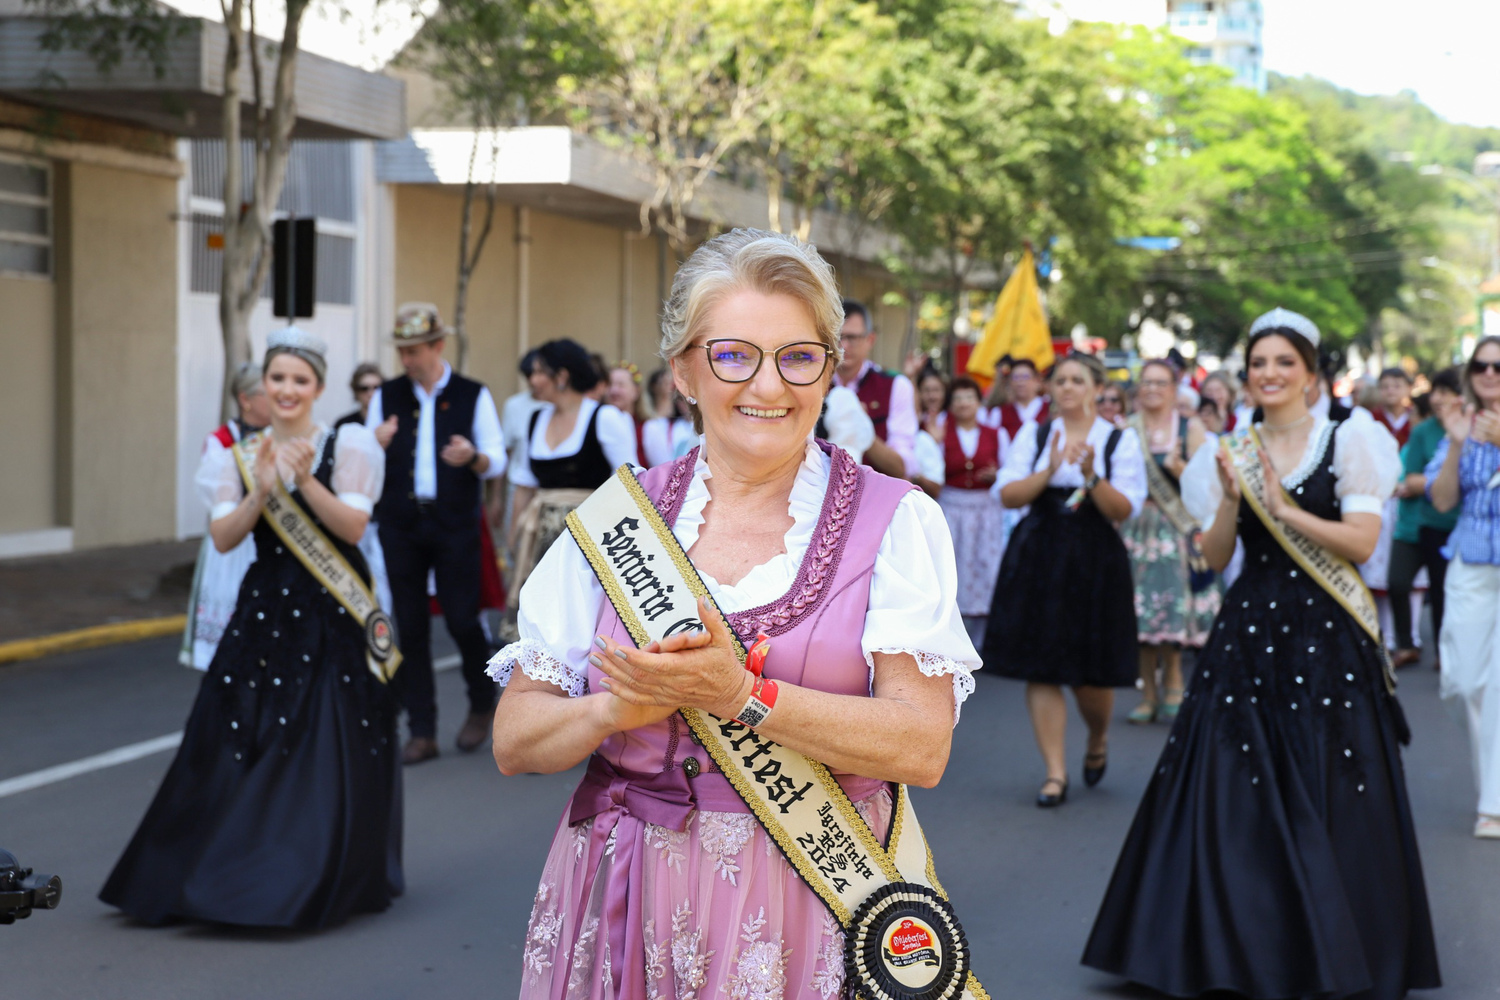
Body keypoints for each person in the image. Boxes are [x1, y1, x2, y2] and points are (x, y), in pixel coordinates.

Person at [486, 229, 977, 998]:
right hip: (625, 894)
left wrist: (740, 695)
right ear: (684, 368)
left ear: (829, 368)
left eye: (798, 356)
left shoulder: (896, 521)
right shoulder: (617, 524)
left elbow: (922, 747)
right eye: (734, 354)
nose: (770, 386)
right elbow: (515, 742)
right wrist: (616, 708)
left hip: (809, 901)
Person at [1085, 308, 1440, 999]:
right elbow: (1215, 557)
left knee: (1327, 778)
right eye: (1258, 364)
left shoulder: (1349, 441)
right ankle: (1232, 949)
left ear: (1311, 373)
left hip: (1326, 634)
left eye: (1284, 363)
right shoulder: (1232, 448)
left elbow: (1363, 544)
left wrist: (1282, 506)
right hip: (1249, 629)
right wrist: (1227, 499)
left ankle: (1335, 947)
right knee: (1230, 782)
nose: (1270, 375)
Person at [102, 327, 403, 928]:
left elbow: (351, 528)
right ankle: (213, 865)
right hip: (265, 608)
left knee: (326, 733)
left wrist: (305, 480)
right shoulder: (239, 452)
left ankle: (311, 869)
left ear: (317, 387)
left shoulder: (348, 442)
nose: (287, 390)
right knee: (240, 726)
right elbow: (222, 536)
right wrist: (261, 489)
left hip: (331, 611)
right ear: (262, 385)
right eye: (277, 378)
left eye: (300, 379)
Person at [983, 353, 1146, 806]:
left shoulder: (1118, 441)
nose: (1068, 387)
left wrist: (1092, 474)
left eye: (1078, 380)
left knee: (1091, 673)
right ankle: (1055, 772)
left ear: (1096, 388)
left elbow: (1123, 509)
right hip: (1041, 551)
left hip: (1095, 556)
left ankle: (1097, 738)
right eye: (1060, 380)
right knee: (1042, 665)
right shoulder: (1035, 435)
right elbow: (1008, 495)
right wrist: (1050, 469)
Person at [368, 303, 508, 764]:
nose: (406, 359)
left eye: (414, 350)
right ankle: (422, 729)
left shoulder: (472, 394)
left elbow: (496, 458)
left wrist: (472, 457)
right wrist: (377, 443)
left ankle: (480, 700)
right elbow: (361, 461)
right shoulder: (386, 396)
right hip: (400, 524)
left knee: (462, 619)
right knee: (409, 625)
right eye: (402, 351)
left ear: (437, 346)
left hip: (453, 521)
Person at [1120, 360, 1220, 725]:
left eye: (1160, 383)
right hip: (1135, 527)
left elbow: (1207, 486)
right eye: (1146, 382)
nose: (1152, 389)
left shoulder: (1189, 428)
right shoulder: (1126, 429)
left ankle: (1175, 682)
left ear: (1175, 389)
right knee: (1140, 612)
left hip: (1175, 527)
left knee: (1173, 608)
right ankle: (1147, 692)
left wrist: (1180, 470)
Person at [1430, 337, 1500, 839]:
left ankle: (1492, 802)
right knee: (1462, 681)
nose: (1491, 373)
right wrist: (1458, 443)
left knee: (1498, 686)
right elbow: (1440, 500)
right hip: (1470, 557)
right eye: (1481, 365)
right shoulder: (1458, 426)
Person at [507, 338, 639, 601]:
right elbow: (524, 485)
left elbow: (629, 481)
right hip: (541, 535)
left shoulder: (605, 417)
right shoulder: (536, 419)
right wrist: (513, 540)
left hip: (589, 534)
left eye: (539, 372)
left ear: (562, 376)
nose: (532, 380)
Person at [179, 361, 270, 670]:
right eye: (266, 392)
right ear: (245, 400)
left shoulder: (281, 436)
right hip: (235, 542)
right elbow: (218, 495)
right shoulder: (220, 440)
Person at [1387, 369, 1461, 670]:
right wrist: (1431, 482)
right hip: (1415, 524)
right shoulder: (1424, 431)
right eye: (1437, 391)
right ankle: (1406, 644)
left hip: (1451, 527)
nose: (1439, 398)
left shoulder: (1476, 428)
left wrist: (1426, 484)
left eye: (1447, 392)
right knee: (1397, 581)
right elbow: (1412, 478)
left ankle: (1446, 651)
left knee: (1444, 592)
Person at [938, 377, 1005, 647]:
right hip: (952, 505)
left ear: (979, 402)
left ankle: (982, 639)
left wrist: (997, 475)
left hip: (984, 507)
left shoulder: (995, 433)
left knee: (984, 566)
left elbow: (1009, 470)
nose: (964, 404)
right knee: (953, 566)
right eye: (958, 399)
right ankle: (952, 637)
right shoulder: (940, 432)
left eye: (969, 398)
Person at [833, 299, 918, 478]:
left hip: (875, 495)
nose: (844, 346)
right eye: (837, 337)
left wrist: (864, 430)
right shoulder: (813, 382)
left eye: (852, 338)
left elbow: (902, 467)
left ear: (870, 339)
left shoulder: (895, 386)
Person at [989, 358, 1048, 440]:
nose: (1020, 382)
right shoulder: (998, 413)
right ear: (1010, 382)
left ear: (1036, 381)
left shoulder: (1050, 408)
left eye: (1025, 377)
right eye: (1016, 377)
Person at [607, 360, 650, 462]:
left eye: (621, 385)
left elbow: (661, 470)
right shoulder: (596, 425)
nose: (614, 390)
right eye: (610, 385)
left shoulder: (648, 428)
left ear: (636, 391)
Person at [337, 363, 383, 429]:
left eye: (376, 388)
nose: (371, 393)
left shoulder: (390, 423)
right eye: (364, 388)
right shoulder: (345, 424)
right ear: (356, 391)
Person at [916, 366, 948, 437]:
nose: (932, 396)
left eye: (936, 390)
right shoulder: (914, 421)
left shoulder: (954, 420)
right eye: (927, 390)